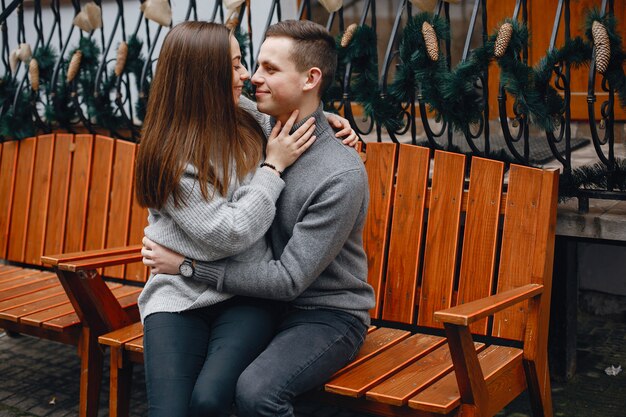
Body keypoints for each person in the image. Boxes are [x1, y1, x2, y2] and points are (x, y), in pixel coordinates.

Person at [141, 19, 376, 417]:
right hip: (242, 297)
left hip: (318, 308)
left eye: (268, 69)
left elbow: (286, 279)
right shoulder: (259, 122)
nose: (251, 77)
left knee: (247, 395)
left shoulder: (338, 172)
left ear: (310, 78)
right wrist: (317, 123)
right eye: (246, 65)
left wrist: (186, 266)